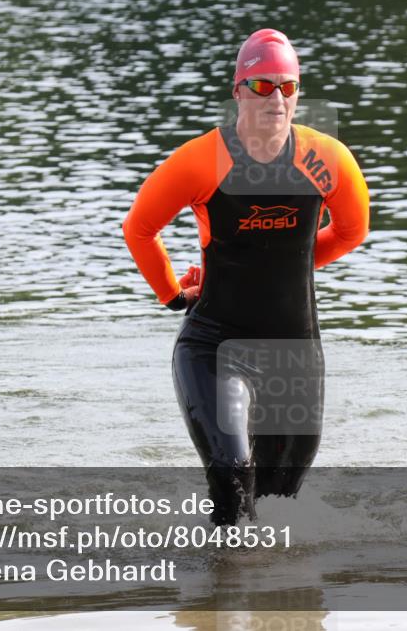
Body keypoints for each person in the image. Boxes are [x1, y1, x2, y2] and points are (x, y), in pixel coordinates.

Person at [123, 28, 369, 525]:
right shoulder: (201, 161)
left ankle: (254, 576)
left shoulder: (328, 159)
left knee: (281, 502)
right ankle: (218, 569)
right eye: (261, 86)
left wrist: (276, 265)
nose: (275, 98)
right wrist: (173, 296)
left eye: (287, 86)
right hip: (216, 348)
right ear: (237, 91)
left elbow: (351, 232)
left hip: (294, 355)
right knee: (233, 476)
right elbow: (139, 229)